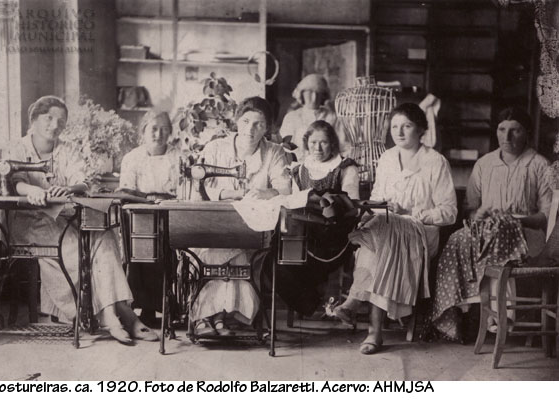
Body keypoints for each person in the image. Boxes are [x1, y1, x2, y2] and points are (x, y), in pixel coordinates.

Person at [4, 95, 157, 344]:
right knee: (77, 248)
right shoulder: (16, 148)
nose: (55, 125)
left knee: (104, 236)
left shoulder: (66, 149)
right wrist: (32, 190)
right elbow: (16, 181)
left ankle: (119, 310)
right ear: (34, 119)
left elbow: (82, 181)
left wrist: (68, 188)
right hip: (29, 221)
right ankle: (111, 316)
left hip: (62, 218)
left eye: (61, 121)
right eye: (49, 118)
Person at [332, 103, 457, 354]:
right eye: (394, 127)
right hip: (388, 231)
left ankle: (356, 303)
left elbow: (449, 212)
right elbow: (376, 199)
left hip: (421, 233)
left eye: (407, 126)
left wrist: (411, 212)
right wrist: (379, 208)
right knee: (380, 242)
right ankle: (373, 332)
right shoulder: (387, 158)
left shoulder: (435, 162)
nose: (399, 132)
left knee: (384, 239)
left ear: (421, 130)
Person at [431, 107, 551, 342]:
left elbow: (547, 216)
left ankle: (497, 318)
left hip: (528, 236)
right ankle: (461, 312)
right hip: (487, 234)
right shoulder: (484, 164)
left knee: (498, 236)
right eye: (502, 129)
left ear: (527, 133)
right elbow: (471, 208)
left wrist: (517, 219)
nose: (507, 137)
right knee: (457, 240)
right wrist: (479, 213)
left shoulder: (540, 165)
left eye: (515, 130)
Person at [189, 96, 291, 336]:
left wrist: (264, 192)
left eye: (258, 124)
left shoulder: (274, 152)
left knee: (230, 250)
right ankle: (219, 317)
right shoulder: (215, 148)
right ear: (236, 121)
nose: (250, 129)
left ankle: (211, 317)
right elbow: (200, 188)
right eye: (245, 122)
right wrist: (233, 193)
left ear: (267, 128)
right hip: (215, 223)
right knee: (216, 249)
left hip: (252, 226)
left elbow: (285, 189)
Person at [267, 120, 359, 315]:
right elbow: (293, 203)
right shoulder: (299, 170)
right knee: (275, 252)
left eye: (323, 142)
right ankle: (310, 303)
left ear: (332, 143)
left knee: (289, 249)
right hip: (304, 235)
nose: (318, 148)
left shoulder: (345, 167)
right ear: (306, 144)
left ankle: (312, 303)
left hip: (335, 237)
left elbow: (352, 205)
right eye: (313, 142)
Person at [119, 110, 182, 327]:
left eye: (164, 129)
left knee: (164, 247)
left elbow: (183, 190)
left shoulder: (178, 157)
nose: (159, 134)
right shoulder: (132, 158)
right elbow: (126, 191)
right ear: (143, 131)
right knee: (141, 245)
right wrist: (147, 200)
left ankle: (167, 304)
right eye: (153, 129)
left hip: (171, 215)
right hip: (140, 216)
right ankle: (145, 306)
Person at [280, 74, 349, 161]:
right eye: (309, 93)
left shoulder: (332, 117)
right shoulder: (291, 117)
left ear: (323, 95)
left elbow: (343, 146)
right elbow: (284, 147)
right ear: (301, 94)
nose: (314, 97)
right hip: (298, 164)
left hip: (327, 165)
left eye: (318, 93)